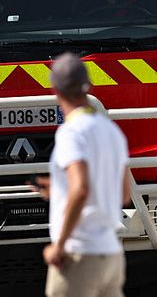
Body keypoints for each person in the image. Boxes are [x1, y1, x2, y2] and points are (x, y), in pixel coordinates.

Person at [35, 53, 130, 297]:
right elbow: (124, 194)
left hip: (80, 254)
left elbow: (81, 190)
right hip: (110, 254)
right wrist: (60, 190)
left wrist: (59, 246)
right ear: (88, 87)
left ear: (56, 90)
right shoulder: (112, 131)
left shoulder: (71, 132)